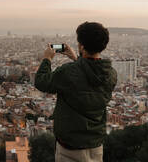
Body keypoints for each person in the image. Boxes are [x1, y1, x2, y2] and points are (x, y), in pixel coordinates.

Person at [35, 22, 117, 162]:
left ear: (81, 46)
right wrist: (76, 58)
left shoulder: (69, 72)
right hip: (96, 146)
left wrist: (47, 58)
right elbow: (88, 78)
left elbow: (41, 82)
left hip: (70, 149)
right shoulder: (110, 74)